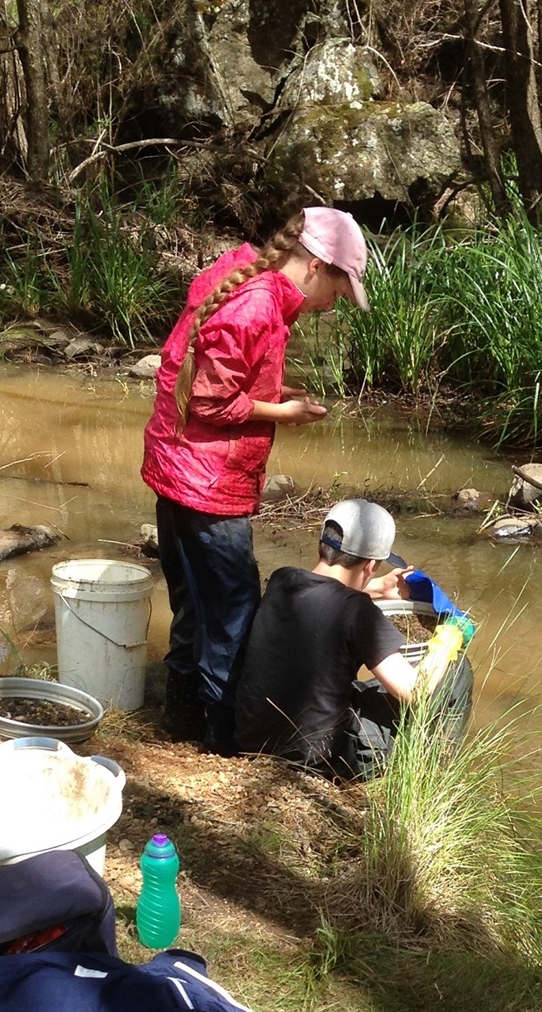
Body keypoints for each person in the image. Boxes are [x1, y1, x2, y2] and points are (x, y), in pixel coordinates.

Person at [141, 207, 370, 755]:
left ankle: (180, 717)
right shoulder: (259, 304)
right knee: (234, 613)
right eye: (338, 291)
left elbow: (220, 367)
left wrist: (276, 388)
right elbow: (211, 400)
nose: (333, 305)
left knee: (193, 603)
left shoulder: (243, 275)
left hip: (177, 468)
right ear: (316, 265)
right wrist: (282, 413)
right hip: (207, 483)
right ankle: (225, 739)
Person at [234, 499, 474, 779]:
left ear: (323, 544)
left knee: (363, 686)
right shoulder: (358, 611)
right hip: (317, 758)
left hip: (253, 740)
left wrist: (378, 589)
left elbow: (327, 592)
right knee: (458, 671)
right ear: (370, 565)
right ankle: (436, 771)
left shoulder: (282, 581)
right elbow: (414, 692)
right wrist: (448, 637)